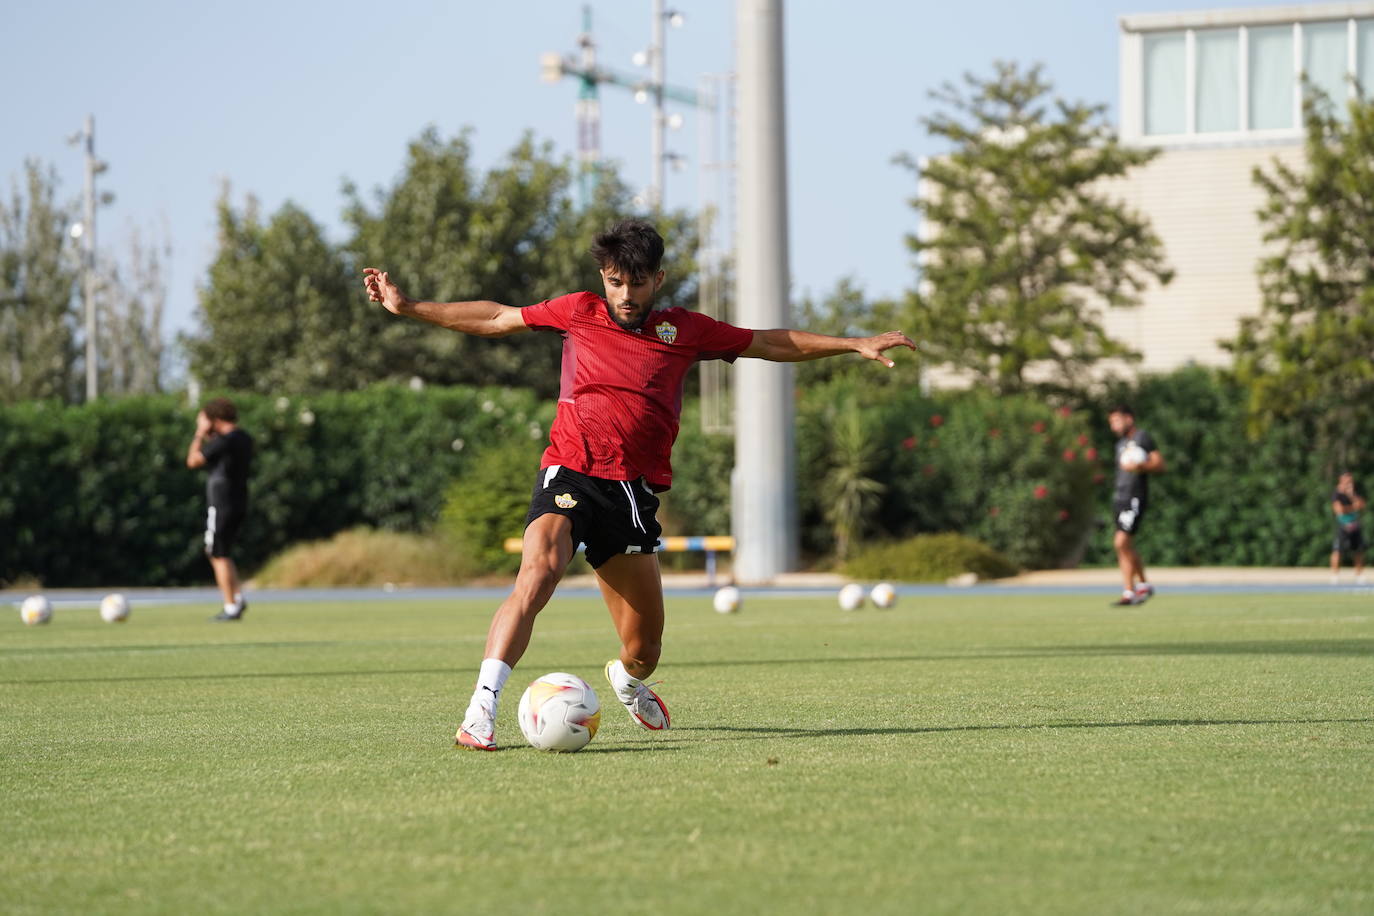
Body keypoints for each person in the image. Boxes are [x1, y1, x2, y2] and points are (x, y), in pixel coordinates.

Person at [363, 219, 915, 750]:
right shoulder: (576, 311)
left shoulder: (684, 330)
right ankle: (481, 710)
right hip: (571, 471)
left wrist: (851, 343)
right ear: (604, 277)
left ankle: (625, 681)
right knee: (537, 574)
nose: (625, 294)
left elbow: (768, 343)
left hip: (631, 495)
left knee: (645, 649)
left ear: (658, 279)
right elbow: (496, 317)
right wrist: (410, 307)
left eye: (637, 282)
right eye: (615, 281)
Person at [186, 397, 254, 621]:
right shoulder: (243, 438)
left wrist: (199, 434)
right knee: (223, 551)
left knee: (216, 552)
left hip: (222, 502)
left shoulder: (224, 441)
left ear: (213, 419)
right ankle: (237, 597)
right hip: (239, 501)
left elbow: (193, 461)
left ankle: (230, 606)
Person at [1107, 404, 1165, 607]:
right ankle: (1133, 590)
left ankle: (1139, 586)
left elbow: (1159, 463)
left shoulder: (1142, 438)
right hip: (1120, 498)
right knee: (1124, 546)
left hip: (1135, 497)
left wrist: (1140, 465)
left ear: (1128, 418)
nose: (1113, 426)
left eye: (1116, 420)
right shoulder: (1121, 443)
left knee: (1121, 543)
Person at [1329, 471, 1366, 585]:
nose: (1349, 482)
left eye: (1350, 480)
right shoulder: (1337, 494)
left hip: (1354, 525)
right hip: (1343, 525)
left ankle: (1359, 575)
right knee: (1337, 550)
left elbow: (1362, 505)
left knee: (1358, 551)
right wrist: (1353, 507)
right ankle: (1335, 576)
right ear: (1341, 480)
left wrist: (1352, 495)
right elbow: (1339, 510)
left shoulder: (1353, 492)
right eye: (1347, 480)